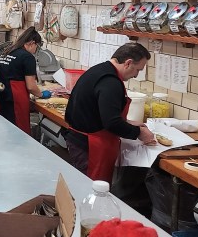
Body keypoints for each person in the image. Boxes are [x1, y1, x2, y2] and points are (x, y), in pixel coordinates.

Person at [64, 42, 156, 184]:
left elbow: (97, 112)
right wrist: (139, 132)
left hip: (79, 138)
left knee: (83, 186)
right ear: (128, 63)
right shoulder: (110, 82)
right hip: (90, 146)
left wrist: (126, 123)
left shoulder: (99, 70)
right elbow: (111, 123)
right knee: (91, 190)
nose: (137, 75)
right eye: (138, 70)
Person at [4, 27, 51, 135]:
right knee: (19, 129)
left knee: (8, 128)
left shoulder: (9, 51)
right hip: (16, 96)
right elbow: (30, 86)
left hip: (4, 93)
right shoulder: (27, 57)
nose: (36, 49)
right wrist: (41, 94)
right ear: (32, 43)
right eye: (37, 46)